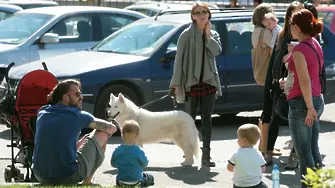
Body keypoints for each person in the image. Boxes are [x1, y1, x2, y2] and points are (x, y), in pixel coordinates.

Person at [32, 79, 117, 185]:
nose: (81, 97)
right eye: (77, 94)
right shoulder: (77, 115)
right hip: (67, 176)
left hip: (40, 176)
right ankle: (87, 182)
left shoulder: (43, 112)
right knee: (103, 133)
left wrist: (83, 141)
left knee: (84, 138)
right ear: (65, 97)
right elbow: (111, 128)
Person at [169, 2, 222, 167]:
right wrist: (175, 83)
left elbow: (217, 51)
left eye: (204, 12)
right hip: (190, 83)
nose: (201, 15)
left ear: (209, 15)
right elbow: (178, 61)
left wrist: (208, 36)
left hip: (209, 82)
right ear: (193, 16)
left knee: (207, 120)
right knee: (189, 121)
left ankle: (206, 156)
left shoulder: (213, 34)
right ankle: (189, 155)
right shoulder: (185, 35)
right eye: (198, 13)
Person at [283, 9, 324, 187]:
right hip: (316, 98)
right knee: (313, 148)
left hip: (303, 104)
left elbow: (305, 80)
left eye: (291, 24)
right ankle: (321, 184)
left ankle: (309, 186)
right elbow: (311, 75)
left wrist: (309, 108)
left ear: (297, 27)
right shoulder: (314, 42)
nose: (290, 27)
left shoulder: (299, 49)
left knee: (304, 152)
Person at [262, 1, 304, 169]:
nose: (294, 20)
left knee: (297, 120)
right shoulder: (282, 35)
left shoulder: (307, 36)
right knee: (275, 117)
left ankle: (295, 154)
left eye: (298, 14)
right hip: (279, 83)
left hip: (298, 83)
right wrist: (270, 82)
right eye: (291, 16)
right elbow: (274, 60)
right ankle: (268, 152)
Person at [251, 3, 277, 156]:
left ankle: (264, 144)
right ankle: (265, 146)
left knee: (266, 109)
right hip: (269, 74)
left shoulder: (255, 31)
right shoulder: (266, 33)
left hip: (259, 72)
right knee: (269, 110)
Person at [111, 120, 154, 187]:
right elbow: (145, 164)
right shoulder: (138, 150)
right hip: (137, 182)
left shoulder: (117, 150)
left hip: (120, 182)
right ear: (137, 135)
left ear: (122, 135)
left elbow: (113, 164)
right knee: (149, 177)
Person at [227, 124, 267, 188]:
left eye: (238, 138)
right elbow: (263, 169)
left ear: (244, 140)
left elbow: (229, 168)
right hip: (255, 184)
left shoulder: (237, 153)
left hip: (239, 185)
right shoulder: (258, 153)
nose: (237, 140)